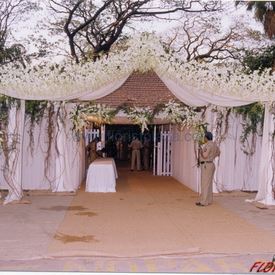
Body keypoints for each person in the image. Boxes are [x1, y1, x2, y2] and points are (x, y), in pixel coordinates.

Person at [196, 131, 220, 207]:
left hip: (206, 165)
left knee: (205, 184)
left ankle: (203, 202)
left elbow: (205, 155)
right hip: (211, 164)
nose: (204, 138)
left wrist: (200, 151)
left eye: (204, 137)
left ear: (206, 137)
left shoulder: (208, 145)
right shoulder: (214, 145)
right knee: (209, 184)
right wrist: (212, 157)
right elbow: (218, 153)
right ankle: (209, 200)